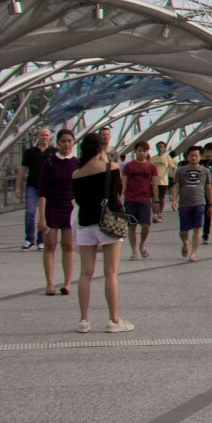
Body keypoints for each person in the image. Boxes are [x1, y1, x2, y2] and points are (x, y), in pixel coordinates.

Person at [70, 127, 132, 333]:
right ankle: (113, 320)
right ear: (100, 148)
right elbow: (118, 192)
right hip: (108, 224)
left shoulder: (76, 173)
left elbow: (78, 200)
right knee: (110, 273)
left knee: (85, 274)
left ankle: (83, 320)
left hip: (85, 225)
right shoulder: (111, 167)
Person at [39, 127, 78, 294]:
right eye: (63, 141)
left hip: (70, 207)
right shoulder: (49, 163)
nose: (66, 144)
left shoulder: (77, 163)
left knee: (68, 245)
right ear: (58, 143)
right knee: (50, 245)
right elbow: (42, 192)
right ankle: (50, 284)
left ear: (73, 142)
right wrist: (41, 217)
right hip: (52, 207)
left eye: (69, 141)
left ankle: (67, 283)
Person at [121, 139, 158, 260]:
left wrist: (156, 200)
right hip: (130, 199)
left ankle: (142, 244)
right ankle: (134, 251)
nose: (142, 153)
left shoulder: (151, 167)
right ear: (135, 151)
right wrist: (121, 196)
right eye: (140, 151)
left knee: (145, 225)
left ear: (147, 152)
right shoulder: (128, 166)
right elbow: (124, 183)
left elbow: (155, 184)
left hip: (144, 199)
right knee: (132, 226)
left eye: (144, 151)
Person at [172, 146, 211, 261]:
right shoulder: (181, 170)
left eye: (196, 155)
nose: (194, 157)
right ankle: (185, 242)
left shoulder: (205, 171)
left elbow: (208, 187)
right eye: (191, 155)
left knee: (197, 228)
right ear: (187, 156)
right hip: (184, 204)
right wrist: (174, 199)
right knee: (183, 231)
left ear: (200, 157)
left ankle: (193, 252)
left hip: (199, 203)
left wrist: (211, 204)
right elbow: (176, 185)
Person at [20, 127, 51, 250]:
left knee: (45, 214)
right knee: (30, 212)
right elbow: (22, 169)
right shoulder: (30, 152)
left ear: (50, 137)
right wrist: (18, 186)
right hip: (32, 186)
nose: (44, 137)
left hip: (48, 187)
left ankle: (41, 239)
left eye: (46, 135)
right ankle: (29, 238)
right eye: (42, 135)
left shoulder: (53, 152)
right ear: (38, 137)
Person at [151, 141, 177, 221]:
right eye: (158, 147)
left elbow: (174, 167)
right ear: (156, 148)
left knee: (161, 198)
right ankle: (155, 214)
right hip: (154, 182)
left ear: (165, 148)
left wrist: (174, 176)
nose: (160, 148)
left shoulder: (167, 157)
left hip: (163, 182)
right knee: (154, 198)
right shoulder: (153, 158)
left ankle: (160, 214)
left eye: (162, 147)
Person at [199, 143, 212, 242]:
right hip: (197, 190)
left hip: (209, 191)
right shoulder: (197, 161)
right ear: (205, 150)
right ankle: (196, 231)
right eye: (211, 152)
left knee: (208, 212)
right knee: (197, 211)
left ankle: (205, 234)